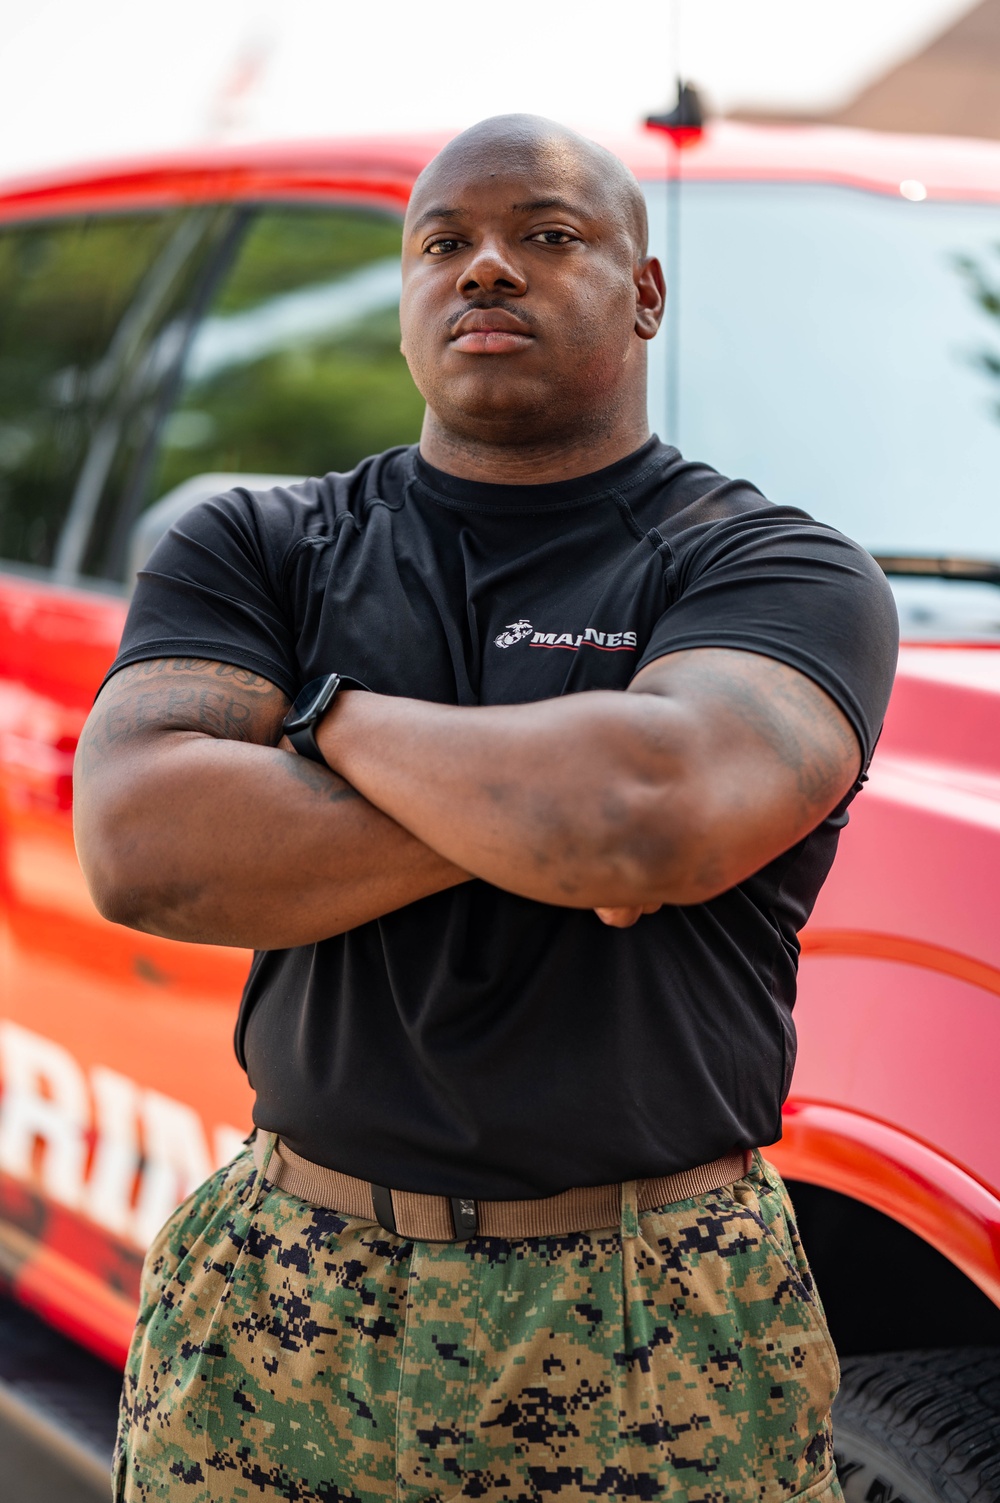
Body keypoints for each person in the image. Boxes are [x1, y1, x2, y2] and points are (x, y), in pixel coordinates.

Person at [74, 113, 898, 1503]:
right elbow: (146, 847)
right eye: (443, 242)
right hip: (282, 1288)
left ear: (644, 291)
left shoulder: (775, 565)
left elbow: (650, 819)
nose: (486, 269)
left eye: (548, 235)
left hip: (655, 1314)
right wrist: (541, 808)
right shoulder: (256, 546)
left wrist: (322, 717)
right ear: (406, 300)